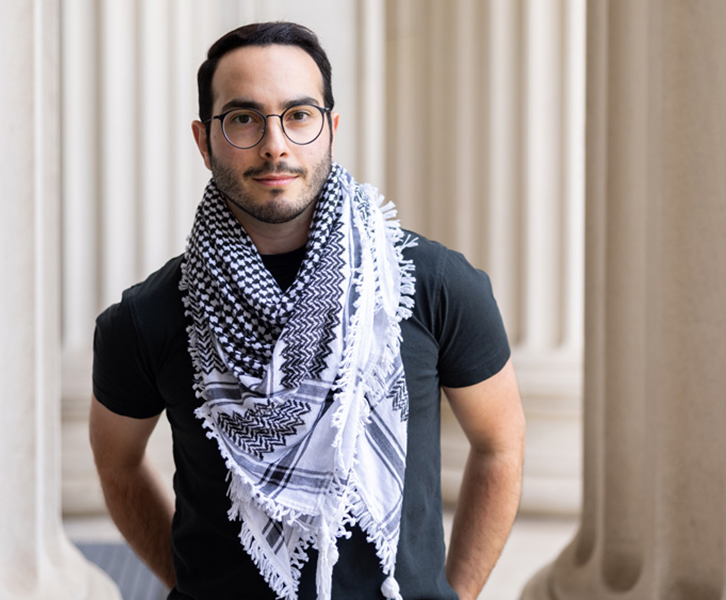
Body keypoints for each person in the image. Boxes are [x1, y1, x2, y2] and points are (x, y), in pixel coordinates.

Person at [90, 21, 525, 600]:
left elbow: (500, 444)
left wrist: (453, 596)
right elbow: (117, 465)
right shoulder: (149, 318)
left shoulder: (432, 284)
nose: (275, 144)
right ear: (203, 140)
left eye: (298, 115)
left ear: (330, 130)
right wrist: (192, 583)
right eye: (244, 118)